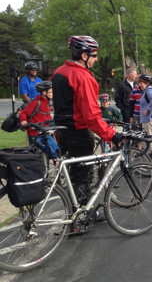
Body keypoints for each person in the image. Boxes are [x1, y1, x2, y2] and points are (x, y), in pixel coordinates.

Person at [52, 35, 122, 211]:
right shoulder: (83, 77)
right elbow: (91, 115)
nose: (96, 59)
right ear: (84, 56)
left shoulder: (59, 72)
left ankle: (76, 211)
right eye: (94, 55)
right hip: (78, 131)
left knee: (74, 174)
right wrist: (112, 134)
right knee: (83, 176)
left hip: (61, 130)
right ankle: (82, 217)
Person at [19, 81, 53, 145]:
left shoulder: (48, 103)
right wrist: (23, 121)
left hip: (45, 131)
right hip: (34, 132)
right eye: (51, 92)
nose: (53, 93)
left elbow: (48, 117)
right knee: (35, 152)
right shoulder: (36, 102)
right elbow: (23, 113)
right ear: (44, 92)